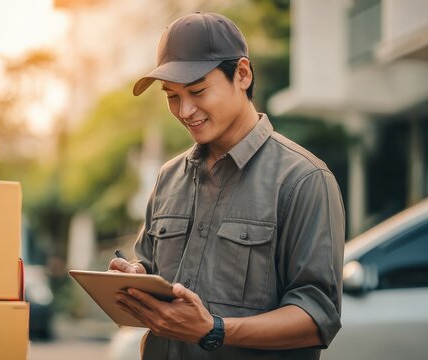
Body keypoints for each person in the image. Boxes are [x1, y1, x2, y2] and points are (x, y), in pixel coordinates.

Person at [108, 12, 345, 359]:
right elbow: (149, 267)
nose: (185, 110)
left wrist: (214, 330)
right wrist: (136, 276)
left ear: (243, 74)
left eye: (198, 90)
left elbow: (317, 317)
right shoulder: (168, 177)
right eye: (171, 96)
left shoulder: (304, 180)